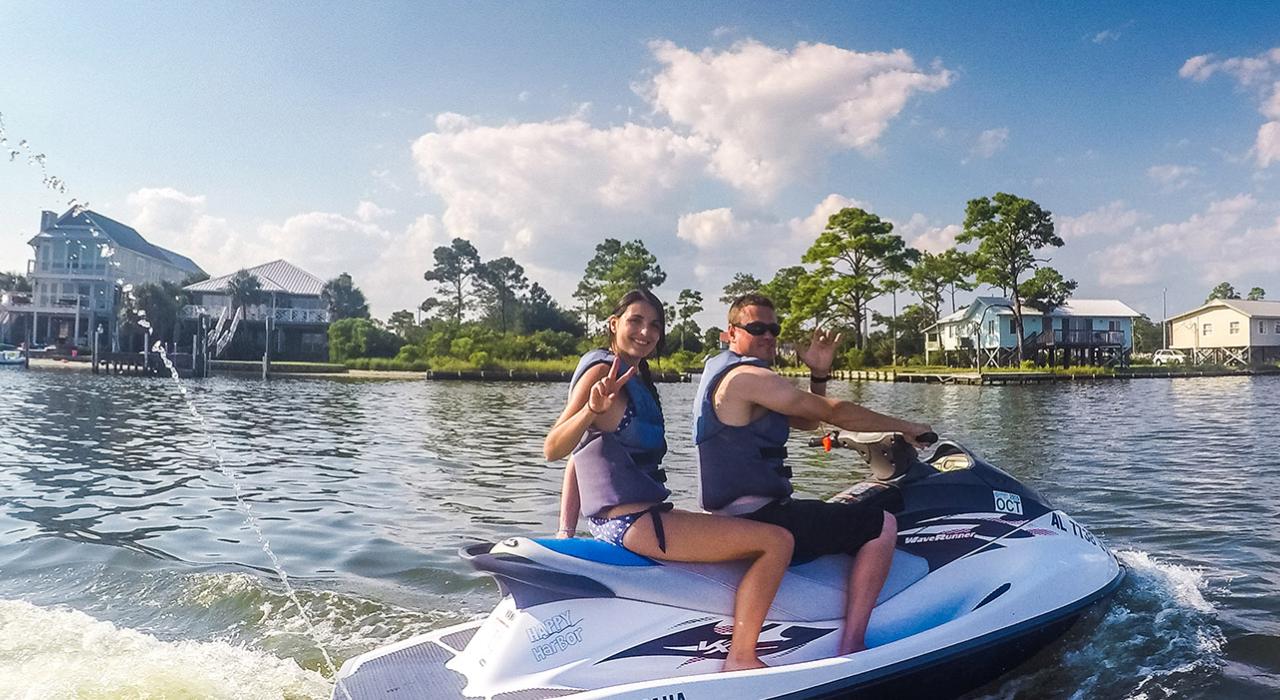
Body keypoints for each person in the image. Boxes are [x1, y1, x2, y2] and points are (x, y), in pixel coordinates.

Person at [544, 288, 794, 672]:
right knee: (776, 541)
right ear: (614, 324)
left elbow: (584, 459)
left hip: (618, 524)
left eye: (655, 325)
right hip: (635, 524)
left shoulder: (635, 376)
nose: (646, 332)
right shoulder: (601, 372)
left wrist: (567, 530)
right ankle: (741, 657)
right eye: (636, 321)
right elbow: (555, 448)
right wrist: (588, 411)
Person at [693, 292, 933, 656]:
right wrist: (907, 426)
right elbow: (832, 412)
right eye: (757, 328)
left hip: (737, 514)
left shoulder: (728, 373)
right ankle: (853, 643)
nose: (768, 335)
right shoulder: (746, 378)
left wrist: (818, 374)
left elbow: (806, 420)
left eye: (773, 328)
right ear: (732, 332)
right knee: (882, 524)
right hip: (761, 517)